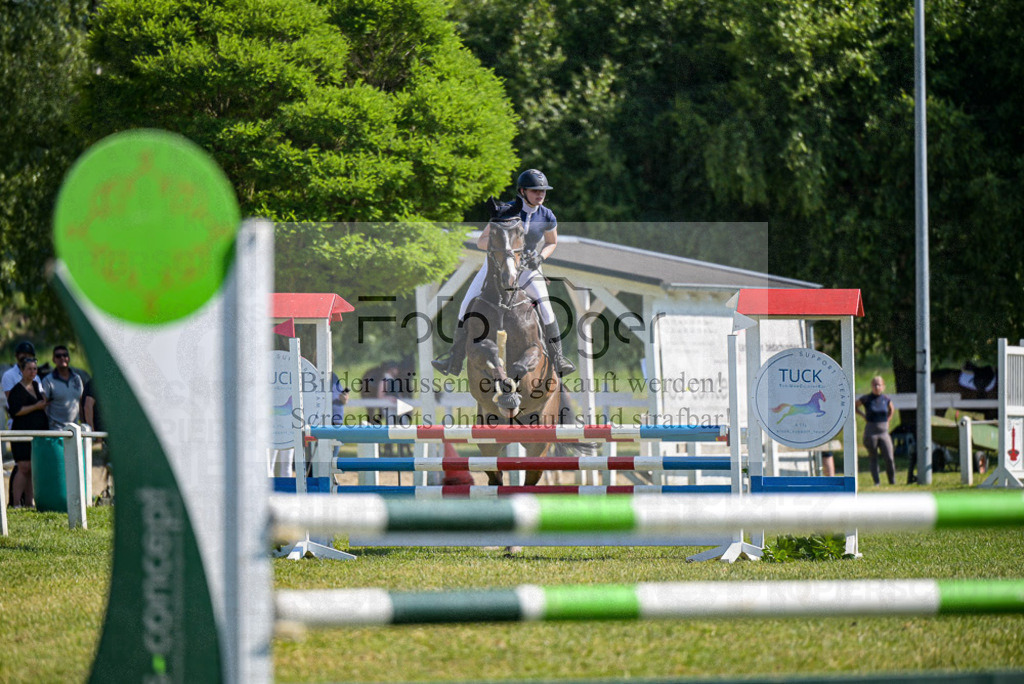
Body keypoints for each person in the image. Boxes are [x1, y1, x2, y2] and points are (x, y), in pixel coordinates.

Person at [432, 169, 575, 378]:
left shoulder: (547, 215)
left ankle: (558, 359)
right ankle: (454, 359)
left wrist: (541, 257)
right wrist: (502, 249)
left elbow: (552, 242)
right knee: (466, 304)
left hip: (527, 269)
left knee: (546, 309)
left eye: (543, 191)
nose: (540, 194)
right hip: (497, 268)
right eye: (535, 190)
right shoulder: (505, 211)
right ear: (522, 191)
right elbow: (482, 242)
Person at [7, 356, 49, 507]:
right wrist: (36, 407)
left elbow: (42, 404)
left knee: (32, 468)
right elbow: (16, 411)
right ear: (22, 371)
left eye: (35, 369)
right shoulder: (16, 390)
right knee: (23, 467)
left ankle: (29, 503)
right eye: (29, 369)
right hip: (21, 433)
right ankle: (16, 503)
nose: (33, 372)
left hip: (37, 434)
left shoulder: (37, 387)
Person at [855, 375, 895, 485]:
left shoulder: (886, 399)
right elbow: (855, 406)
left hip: (884, 432)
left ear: (883, 386)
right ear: (872, 386)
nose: (877, 387)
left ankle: (892, 481)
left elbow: (892, 409)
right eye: (875, 385)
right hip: (871, 432)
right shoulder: (866, 398)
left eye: (879, 385)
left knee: (889, 457)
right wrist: (863, 416)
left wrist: (888, 419)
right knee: (873, 458)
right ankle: (876, 482)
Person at [41, 345, 85, 430]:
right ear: (54, 360)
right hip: (56, 431)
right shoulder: (48, 380)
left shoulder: (77, 378)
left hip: (75, 431)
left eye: (65, 355)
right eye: (58, 356)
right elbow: (43, 406)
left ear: (68, 358)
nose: (62, 358)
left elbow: (80, 402)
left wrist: (83, 424)